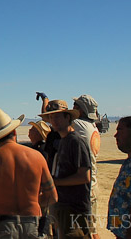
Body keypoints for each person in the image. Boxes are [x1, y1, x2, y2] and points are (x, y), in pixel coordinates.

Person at [0, 108, 58, 239]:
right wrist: (32, 201)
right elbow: (52, 197)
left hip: (3, 224)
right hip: (33, 223)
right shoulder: (36, 157)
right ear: (14, 131)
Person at [40, 100, 91, 239]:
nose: (53, 121)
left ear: (68, 117)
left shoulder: (76, 141)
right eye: (50, 117)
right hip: (62, 204)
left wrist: (55, 182)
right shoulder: (63, 141)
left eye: (57, 116)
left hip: (74, 207)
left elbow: (84, 176)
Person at [72, 95, 101, 239]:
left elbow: (52, 119)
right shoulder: (92, 126)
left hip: (85, 188)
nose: (72, 109)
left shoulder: (78, 124)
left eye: (75, 106)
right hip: (93, 184)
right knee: (92, 229)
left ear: (81, 110)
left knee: (86, 231)